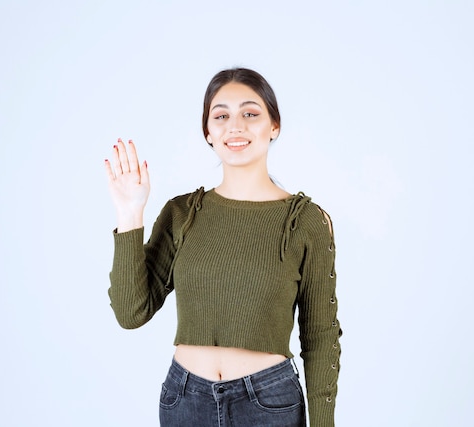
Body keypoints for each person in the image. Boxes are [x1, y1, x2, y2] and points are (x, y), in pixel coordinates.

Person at [104, 67, 341, 426]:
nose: (236, 126)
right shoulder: (182, 213)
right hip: (185, 400)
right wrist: (130, 211)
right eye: (221, 116)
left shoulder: (305, 221)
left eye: (250, 113)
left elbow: (320, 336)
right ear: (208, 132)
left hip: (269, 404)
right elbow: (131, 312)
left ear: (274, 126)